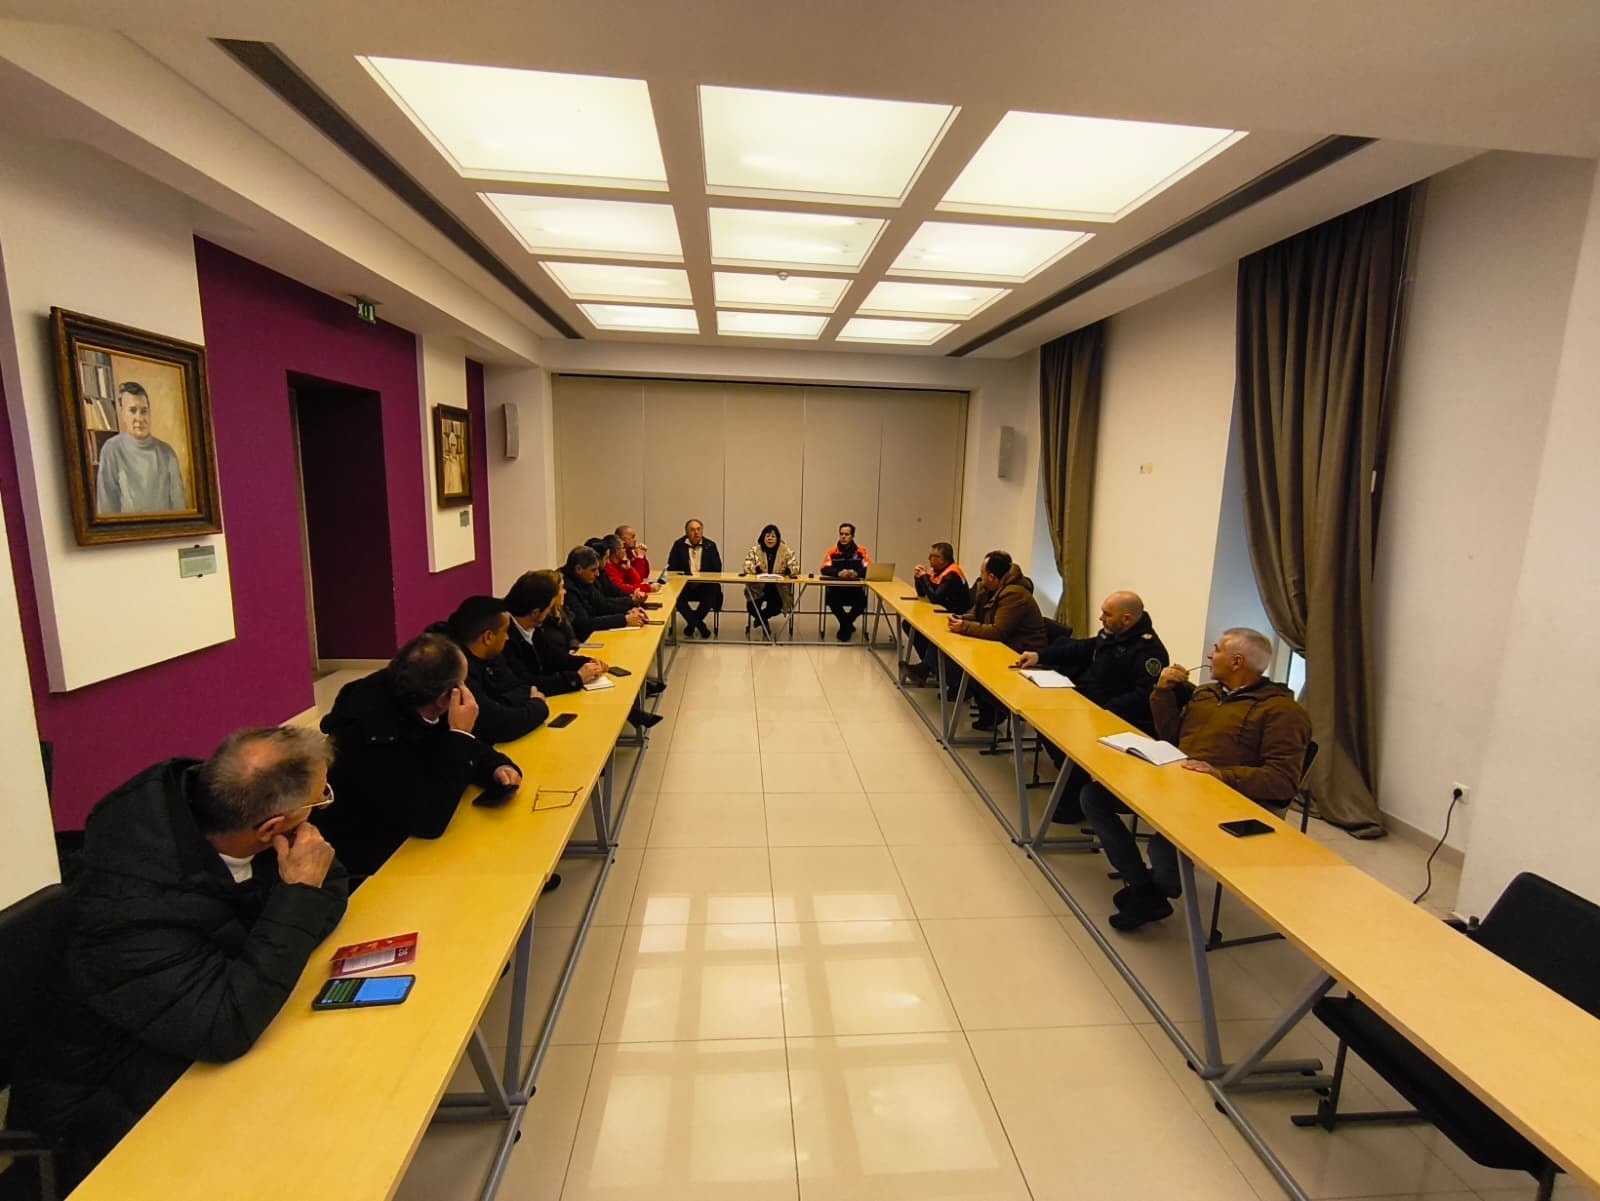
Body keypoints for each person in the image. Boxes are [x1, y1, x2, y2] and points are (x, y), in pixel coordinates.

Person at [7, 727, 349, 1188]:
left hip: (180, 1044)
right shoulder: (126, 913)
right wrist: (298, 897)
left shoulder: (228, 816)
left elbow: (330, 884)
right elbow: (224, 1028)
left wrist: (297, 902)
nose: (320, 811)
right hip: (97, 1121)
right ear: (271, 828)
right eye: (319, 800)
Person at [1082, 626, 1312, 932]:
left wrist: (1219, 774)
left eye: (1216, 650)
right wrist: (1162, 693)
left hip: (1227, 798)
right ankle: (1144, 887)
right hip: (1181, 782)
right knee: (1094, 796)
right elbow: (1172, 737)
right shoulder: (1206, 693)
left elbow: (1282, 780)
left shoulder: (1282, 712)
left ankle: (1154, 892)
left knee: (1164, 845)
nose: (1209, 655)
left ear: (1237, 662)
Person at [317, 632, 523, 879]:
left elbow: (450, 746)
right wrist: (460, 735)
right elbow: (429, 820)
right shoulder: (371, 734)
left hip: (405, 823)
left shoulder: (415, 696)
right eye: (462, 684)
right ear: (444, 699)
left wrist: (495, 766)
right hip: (371, 857)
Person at [1013, 591, 1170, 823]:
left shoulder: (1149, 651)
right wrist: (1039, 656)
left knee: (1065, 737)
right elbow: (1083, 648)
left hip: (1118, 720)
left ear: (1126, 619)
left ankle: (1073, 796)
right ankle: (1072, 784)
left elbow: (1144, 695)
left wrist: (1103, 710)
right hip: (1089, 708)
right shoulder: (1115, 634)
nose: (1101, 618)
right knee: (1045, 723)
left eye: (1107, 614)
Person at [503, 569, 664, 727]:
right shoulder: (506, 639)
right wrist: (577, 677)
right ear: (536, 612)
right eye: (560, 591)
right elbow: (527, 681)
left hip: (547, 688)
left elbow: (554, 657)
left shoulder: (533, 626)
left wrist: (587, 662)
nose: (564, 592)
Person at [946, 550, 1050, 729]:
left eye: (982, 573)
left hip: (1021, 653)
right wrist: (961, 618)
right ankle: (989, 711)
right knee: (963, 657)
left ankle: (996, 710)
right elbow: (978, 615)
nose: (980, 577)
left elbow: (998, 631)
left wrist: (964, 627)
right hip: (1005, 646)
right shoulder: (990, 589)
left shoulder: (1014, 594)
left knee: (972, 667)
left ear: (992, 577)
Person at [430, 595, 550, 745]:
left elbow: (519, 686)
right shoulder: (453, 668)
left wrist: (500, 705)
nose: (507, 638)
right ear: (488, 637)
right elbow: (499, 726)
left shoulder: (491, 654)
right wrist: (537, 705)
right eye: (505, 632)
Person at [94, 381, 188, 514]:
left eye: (144, 411)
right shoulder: (111, 450)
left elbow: (180, 507)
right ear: (122, 413)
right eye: (133, 411)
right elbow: (106, 508)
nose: (139, 418)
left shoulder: (167, 453)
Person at [902, 542, 971, 683]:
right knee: (908, 625)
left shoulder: (952, 574)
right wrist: (918, 579)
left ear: (942, 559)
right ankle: (928, 667)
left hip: (954, 616)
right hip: (939, 613)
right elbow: (922, 594)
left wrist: (924, 578)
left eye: (932, 556)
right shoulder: (937, 570)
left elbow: (935, 598)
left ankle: (927, 668)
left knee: (924, 630)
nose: (929, 559)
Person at [563, 545, 648, 638]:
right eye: (593, 570)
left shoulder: (584, 579)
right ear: (578, 569)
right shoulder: (567, 588)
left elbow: (603, 605)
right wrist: (624, 619)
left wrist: (629, 610)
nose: (597, 574)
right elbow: (584, 624)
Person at [666, 518, 723, 638]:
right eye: (692, 530)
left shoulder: (710, 545)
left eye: (698, 529)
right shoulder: (679, 545)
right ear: (686, 532)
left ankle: (691, 625)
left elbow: (717, 568)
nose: (696, 532)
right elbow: (672, 567)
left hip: (704, 585)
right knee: (676, 595)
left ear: (702, 531)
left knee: (714, 591)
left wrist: (703, 578)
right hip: (684, 585)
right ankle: (700, 625)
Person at [741, 523, 800, 629]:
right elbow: (746, 566)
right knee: (751, 608)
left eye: (773, 536)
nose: (770, 538)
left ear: (777, 538)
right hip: (757, 588)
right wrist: (756, 569)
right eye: (767, 536)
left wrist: (787, 570)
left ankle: (761, 619)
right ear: (763, 537)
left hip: (778, 588)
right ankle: (764, 622)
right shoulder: (755, 550)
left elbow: (796, 567)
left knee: (776, 608)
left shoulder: (785, 551)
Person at [819, 522, 872, 642]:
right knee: (831, 600)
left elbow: (869, 568)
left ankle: (845, 624)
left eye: (846, 534)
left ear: (852, 536)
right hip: (837, 590)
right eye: (841, 534)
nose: (843, 537)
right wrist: (838, 573)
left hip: (855, 590)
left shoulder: (861, 551)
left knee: (862, 603)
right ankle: (847, 624)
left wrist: (857, 573)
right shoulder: (832, 552)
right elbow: (824, 568)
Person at [597, 534, 649, 603]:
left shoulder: (621, 563)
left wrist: (629, 569)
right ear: (617, 551)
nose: (625, 550)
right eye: (623, 548)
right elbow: (621, 588)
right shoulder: (608, 567)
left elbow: (638, 580)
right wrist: (648, 588)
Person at [614, 524, 657, 592]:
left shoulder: (630, 552)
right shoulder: (619, 557)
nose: (635, 540)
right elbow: (639, 578)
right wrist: (640, 557)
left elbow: (645, 574)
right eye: (632, 537)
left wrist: (642, 556)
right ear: (623, 539)